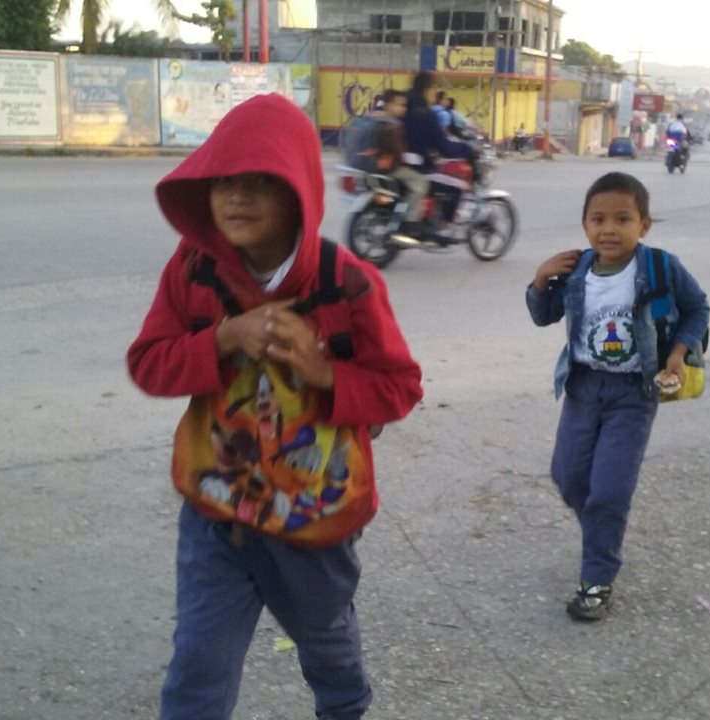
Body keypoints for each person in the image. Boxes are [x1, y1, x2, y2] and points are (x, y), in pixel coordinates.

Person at [127, 93, 424, 719]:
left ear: (302, 192)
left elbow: (399, 387)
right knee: (197, 666)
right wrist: (221, 340)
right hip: (218, 513)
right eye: (225, 181)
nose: (238, 197)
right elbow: (149, 363)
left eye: (263, 181)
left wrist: (322, 371)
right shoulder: (192, 269)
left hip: (315, 520)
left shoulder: (348, 284)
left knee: (326, 642)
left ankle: (346, 708)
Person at [525, 171, 709, 622]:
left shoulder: (659, 267)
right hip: (583, 387)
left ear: (643, 225)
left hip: (633, 392)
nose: (609, 229)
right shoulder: (579, 270)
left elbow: (698, 307)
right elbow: (543, 315)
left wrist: (679, 353)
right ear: (585, 224)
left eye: (623, 219)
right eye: (598, 219)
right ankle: (602, 536)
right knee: (568, 477)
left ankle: (596, 580)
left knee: (609, 490)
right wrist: (540, 278)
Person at [344, 88, 430, 236]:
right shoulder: (391, 124)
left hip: (367, 167)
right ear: (388, 105)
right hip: (387, 168)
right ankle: (411, 221)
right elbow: (397, 152)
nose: (403, 109)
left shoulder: (371, 118)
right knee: (420, 182)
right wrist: (413, 158)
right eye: (400, 105)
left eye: (404, 105)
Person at [403, 71, 475, 229]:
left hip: (403, 162)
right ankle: (444, 228)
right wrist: (467, 149)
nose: (435, 94)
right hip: (419, 167)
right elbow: (443, 146)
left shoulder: (404, 106)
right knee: (457, 185)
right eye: (434, 89)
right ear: (426, 90)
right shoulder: (426, 114)